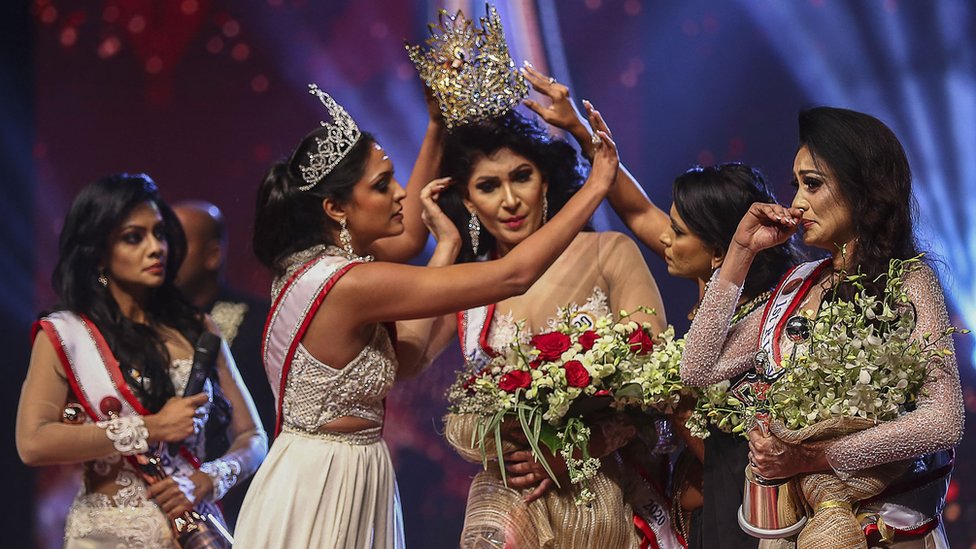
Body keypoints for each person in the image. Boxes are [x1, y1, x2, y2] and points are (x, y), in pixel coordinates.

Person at [231, 84, 620, 548]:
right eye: (382, 186)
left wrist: (436, 132)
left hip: (350, 468)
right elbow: (513, 275)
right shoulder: (350, 284)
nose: (400, 194)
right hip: (324, 482)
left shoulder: (312, 262)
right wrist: (597, 184)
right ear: (335, 209)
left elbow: (409, 342)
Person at [520, 64, 799, 548]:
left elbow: (729, 452)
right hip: (688, 510)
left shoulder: (762, 322)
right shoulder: (699, 270)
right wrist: (582, 132)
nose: (663, 238)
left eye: (679, 232)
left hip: (739, 515)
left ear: (720, 250)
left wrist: (669, 404)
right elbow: (633, 208)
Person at [680, 106, 964, 547]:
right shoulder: (798, 283)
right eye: (796, 185)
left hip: (882, 529)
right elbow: (696, 370)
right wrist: (739, 252)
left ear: (863, 187)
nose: (796, 203)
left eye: (812, 184)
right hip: (795, 526)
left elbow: (943, 422)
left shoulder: (909, 281)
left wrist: (814, 457)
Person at [406, 101, 671, 546]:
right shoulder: (471, 285)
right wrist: (447, 246)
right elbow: (408, 360)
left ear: (545, 180)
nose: (510, 200)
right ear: (469, 201)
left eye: (522, 177)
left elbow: (659, 381)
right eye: (488, 187)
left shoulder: (608, 251)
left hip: (612, 492)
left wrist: (579, 448)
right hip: (514, 503)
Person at [15, 173, 267, 548]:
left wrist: (208, 479)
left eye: (160, 233)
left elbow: (254, 437)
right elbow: (32, 443)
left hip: (193, 530)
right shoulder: (65, 336)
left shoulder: (198, 328)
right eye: (135, 237)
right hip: (106, 537)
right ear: (99, 253)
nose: (156, 248)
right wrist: (152, 428)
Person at [172, 200, 274, 529]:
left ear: (212, 254)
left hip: (242, 500)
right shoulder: (136, 326)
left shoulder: (261, 319)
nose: (162, 251)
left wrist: (216, 475)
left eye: (178, 242)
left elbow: (260, 426)